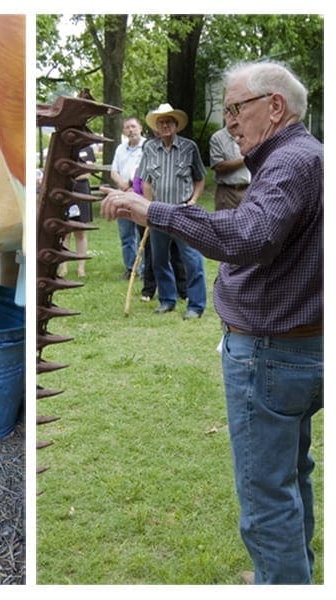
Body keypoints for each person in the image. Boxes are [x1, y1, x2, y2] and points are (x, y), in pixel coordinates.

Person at [101, 60, 323, 584]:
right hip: (300, 349)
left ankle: (280, 582)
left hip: (272, 354)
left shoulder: (292, 161)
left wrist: (151, 210)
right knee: (290, 475)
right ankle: (288, 573)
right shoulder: (306, 157)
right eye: (224, 112)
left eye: (235, 110)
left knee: (267, 493)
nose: (229, 125)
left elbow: (245, 237)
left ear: (275, 107)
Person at [135, 103, 207, 319]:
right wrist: (149, 207)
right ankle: (167, 300)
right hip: (158, 212)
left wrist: (193, 199)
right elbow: (146, 180)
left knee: (191, 258)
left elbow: (200, 177)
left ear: (176, 125)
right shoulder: (149, 148)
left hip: (183, 211)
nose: (165, 125)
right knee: (158, 259)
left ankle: (196, 306)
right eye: (161, 122)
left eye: (169, 122)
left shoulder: (189, 147)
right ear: (157, 127)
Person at [110, 116, 146, 279]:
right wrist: (124, 185)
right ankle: (130, 268)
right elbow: (113, 171)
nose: (130, 130)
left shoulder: (147, 147)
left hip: (141, 196)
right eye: (127, 128)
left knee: (142, 233)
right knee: (126, 234)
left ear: (140, 128)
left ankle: (144, 268)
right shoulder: (120, 149)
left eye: (133, 126)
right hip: (123, 195)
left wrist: (134, 186)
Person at [59, 144, 96, 278]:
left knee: (80, 232)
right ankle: (64, 267)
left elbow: (87, 172)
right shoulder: (63, 147)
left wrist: (69, 174)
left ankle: (81, 268)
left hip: (81, 191)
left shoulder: (87, 149)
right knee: (65, 233)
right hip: (65, 190)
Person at [209, 125, 251, 210]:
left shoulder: (250, 133)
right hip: (228, 192)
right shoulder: (218, 137)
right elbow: (218, 167)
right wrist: (244, 160)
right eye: (229, 112)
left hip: (249, 190)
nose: (234, 117)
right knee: (225, 222)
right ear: (224, 115)